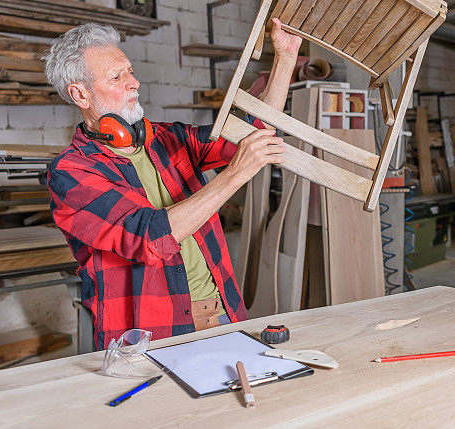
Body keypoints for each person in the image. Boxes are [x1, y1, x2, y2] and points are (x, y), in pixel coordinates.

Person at [45, 19, 301, 350]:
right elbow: (149, 237)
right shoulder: (71, 172)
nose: (134, 82)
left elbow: (254, 131)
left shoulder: (166, 137)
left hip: (222, 314)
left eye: (130, 71)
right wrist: (236, 174)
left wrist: (285, 57)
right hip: (150, 336)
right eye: (117, 77)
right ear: (80, 94)